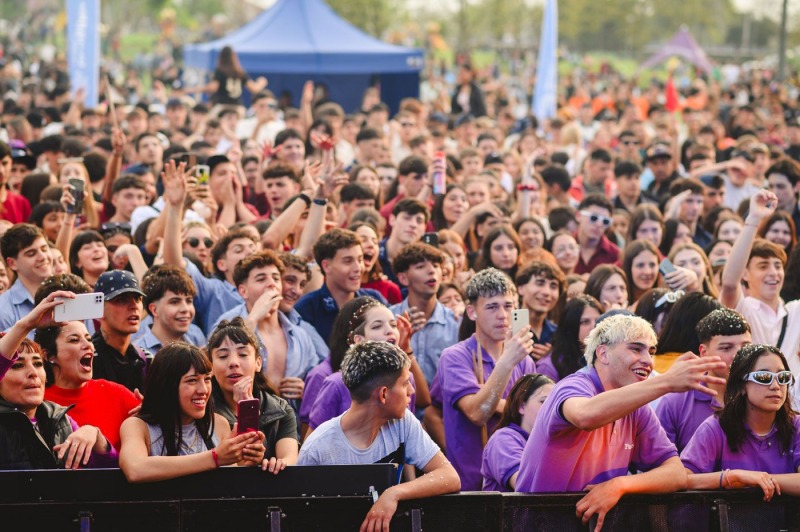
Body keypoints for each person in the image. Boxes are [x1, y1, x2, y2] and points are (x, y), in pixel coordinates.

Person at [515, 314, 727, 531]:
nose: (648, 360)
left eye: (651, 352)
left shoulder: (637, 407)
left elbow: (676, 474)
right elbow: (585, 415)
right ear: (603, 353)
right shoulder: (574, 385)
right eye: (636, 349)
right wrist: (666, 382)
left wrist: (620, 485)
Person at [298, 341, 460, 531]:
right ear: (383, 394)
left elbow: (449, 476)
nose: (412, 391)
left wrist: (393, 493)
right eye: (405, 383)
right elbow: (301, 518)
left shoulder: (403, 421)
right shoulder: (317, 449)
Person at [435, 268, 536, 490]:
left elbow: (534, 417)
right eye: (491, 307)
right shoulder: (455, 356)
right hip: (469, 486)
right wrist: (507, 361)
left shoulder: (524, 360)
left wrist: (498, 403)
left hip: (513, 480)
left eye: (508, 306)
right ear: (472, 312)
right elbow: (477, 413)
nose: (502, 315)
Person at [0, 291, 119, 470]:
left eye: (38, 363)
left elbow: (109, 476)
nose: (33, 373)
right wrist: (26, 325)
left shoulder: (61, 420)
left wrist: (95, 436)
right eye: (17, 366)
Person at [119, 343, 266, 482]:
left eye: (207, 379)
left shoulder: (218, 424)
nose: (203, 390)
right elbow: (135, 469)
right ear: (167, 385)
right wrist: (215, 457)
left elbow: (227, 486)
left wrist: (248, 461)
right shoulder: (138, 426)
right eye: (192, 381)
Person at [681, 344, 800, 499]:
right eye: (764, 377)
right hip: (728, 523)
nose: (776, 386)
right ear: (742, 386)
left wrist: (760, 479)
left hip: (788, 524)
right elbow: (683, 479)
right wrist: (731, 477)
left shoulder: (795, 425)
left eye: (783, 377)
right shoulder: (716, 427)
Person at [308, 297, 428, 433]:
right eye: (377, 326)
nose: (389, 331)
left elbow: (410, 431)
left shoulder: (407, 378)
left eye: (393, 325)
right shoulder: (335, 383)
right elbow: (312, 445)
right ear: (358, 340)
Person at [213, 250, 317, 405]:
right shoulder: (226, 322)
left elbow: (317, 377)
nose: (271, 283)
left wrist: (307, 390)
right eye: (261, 279)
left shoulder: (299, 334)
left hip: (289, 424)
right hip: (242, 422)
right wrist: (254, 318)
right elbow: (211, 371)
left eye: (276, 278)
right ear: (243, 291)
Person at [720, 189, 800, 380]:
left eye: (778, 266)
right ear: (745, 273)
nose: (773, 273)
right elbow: (730, 283)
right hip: (752, 405)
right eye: (763, 266)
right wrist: (754, 218)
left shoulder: (796, 310)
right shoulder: (742, 309)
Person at [207, 318, 298, 474]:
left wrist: (278, 464)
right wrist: (246, 414)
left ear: (258, 363)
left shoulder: (280, 409)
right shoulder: (203, 411)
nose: (233, 363)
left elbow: (290, 458)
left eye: (243, 354)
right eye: (223, 357)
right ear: (211, 367)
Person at [656, 308, 752, 452]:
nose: (738, 355)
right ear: (703, 352)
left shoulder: (766, 393)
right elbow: (659, 466)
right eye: (726, 348)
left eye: (747, 347)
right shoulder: (675, 403)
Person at [295, 228, 387, 343]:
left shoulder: (374, 300)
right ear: (326, 266)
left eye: (360, 259)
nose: (358, 268)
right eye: (348, 261)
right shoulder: (306, 309)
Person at [390, 242, 459, 386]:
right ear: (403, 278)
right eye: (420, 267)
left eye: (436, 265)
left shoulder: (456, 321)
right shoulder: (389, 319)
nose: (431, 271)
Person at [481, 373, 554, 492]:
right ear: (521, 406)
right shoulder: (503, 439)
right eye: (544, 402)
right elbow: (525, 484)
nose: (552, 409)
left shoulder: (554, 441)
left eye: (555, 404)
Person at [91, 270, 147, 393]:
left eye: (137, 298)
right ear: (99, 310)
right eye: (121, 300)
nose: (134, 306)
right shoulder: (86, 360)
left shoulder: (146, 359)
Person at [135, 265, 206, 354]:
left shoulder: (196, 336)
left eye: (189, 301)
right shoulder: (138, 353)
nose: (185, 309)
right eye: (175, 302)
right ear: (154, 310)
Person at [0, 224, 53, 335]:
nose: (43, 257)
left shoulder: (70, 292)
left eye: (44, 249)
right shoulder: (3, 309)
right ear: (12, 263)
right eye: (31, 254)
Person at [515, 261, 564, 380]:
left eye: (553, 286)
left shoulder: (559, 335)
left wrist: (552, 359)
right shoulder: (507, 330)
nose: (547, 292)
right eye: (540, 283)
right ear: (521, 288)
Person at [550, 295, 604, 381]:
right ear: (570, 326)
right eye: (585, 322)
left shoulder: (605, 358)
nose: (594, 326)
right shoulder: (550, 366)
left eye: (598, 321)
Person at [574, 194, 620, 275]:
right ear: (578, 216)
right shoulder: (562, 245)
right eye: (594, 217)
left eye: (605, 221)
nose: (599, 224)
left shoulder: (615, 254)